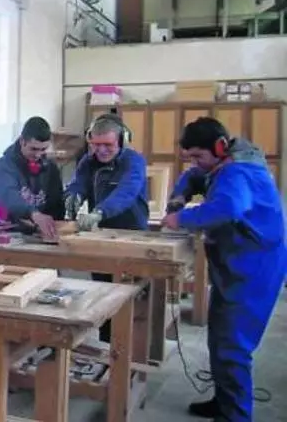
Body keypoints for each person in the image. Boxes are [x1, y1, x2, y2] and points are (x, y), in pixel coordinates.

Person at [162, 117, 287, 422]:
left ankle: (236, 416)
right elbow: (193, 176)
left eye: (198, 156)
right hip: (235, 267)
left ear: (220, 148)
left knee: (233, 347)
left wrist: (182, 219)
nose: (195, 162)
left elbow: (228, 208)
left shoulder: (238, 172)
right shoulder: (221, 165)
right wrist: (179, 197)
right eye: (190, 156)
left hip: (254, 270)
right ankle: (225, 402)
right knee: (219, 339)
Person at [64, 113, 149, 342]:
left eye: (108, 145)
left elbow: (126, 192)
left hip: (131, 235)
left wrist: (100, 211)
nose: (101, 150)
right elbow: (78, 183)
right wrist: (73, 195)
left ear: (122, 141)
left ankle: (130, 348)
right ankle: (106, 345)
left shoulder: (134, 161)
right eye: (96, 144)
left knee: (129, 295)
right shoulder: (87, 162)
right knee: (103, 292)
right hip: (101, 235)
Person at [0, 116, 65, 240]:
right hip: (8, 234)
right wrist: (33, 214)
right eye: (33, 149)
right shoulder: (6, 165)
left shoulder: (50, 168)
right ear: (22, 141)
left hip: (39, 235)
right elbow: (8, 197)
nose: (38, 155)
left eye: (43, 149)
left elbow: (56, 204)